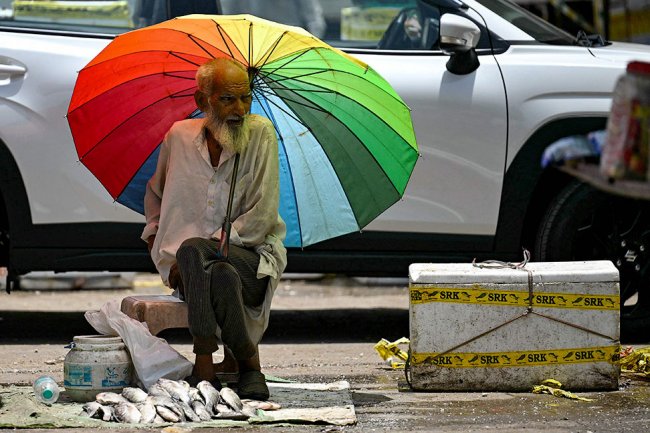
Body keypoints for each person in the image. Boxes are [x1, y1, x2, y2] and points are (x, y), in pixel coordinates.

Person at [141, 57, 287, 400]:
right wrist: (155, 241)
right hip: (188, 269)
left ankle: (203, 360)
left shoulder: (261, 134)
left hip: (250, 256)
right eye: (226, 99)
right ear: (201, 100)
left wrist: (207, 246)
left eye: (245, 98)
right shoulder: (178, 136)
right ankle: (250, 368)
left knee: (195, 251)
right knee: (218, 273)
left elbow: (261, 217)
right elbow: (156, 196)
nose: (239, 108)